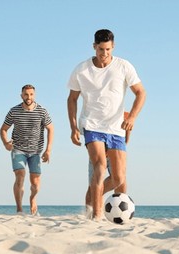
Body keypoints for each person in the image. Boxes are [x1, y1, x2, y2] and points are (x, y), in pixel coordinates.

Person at [67, 29, 146, 220]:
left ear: (113, 47)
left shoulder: (124, 66)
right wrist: (73, 127)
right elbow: (72, 99)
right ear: (94, 47)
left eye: (108, 49)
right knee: (100, 166)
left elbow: (141, 93)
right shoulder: (81, 69)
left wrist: (132, 117)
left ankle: (94, 192)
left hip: (116, 128)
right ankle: (97, 215)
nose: (104, 54)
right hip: (92, 125)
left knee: (119, 178)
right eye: (101, 49)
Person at [0, 84, 54, 216]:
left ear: (34, 95)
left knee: (35, 183)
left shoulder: (42, 111)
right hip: (18, 149)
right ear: (21, 95)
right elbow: (3, 129)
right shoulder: (14, 111)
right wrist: (6, 143)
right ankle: (19, 209)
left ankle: (33, 198)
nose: (28, 97)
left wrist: (48, 150)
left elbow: (50, 129)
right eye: (26, 94)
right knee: (20, 175)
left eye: (31, 94)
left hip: (36, 151)